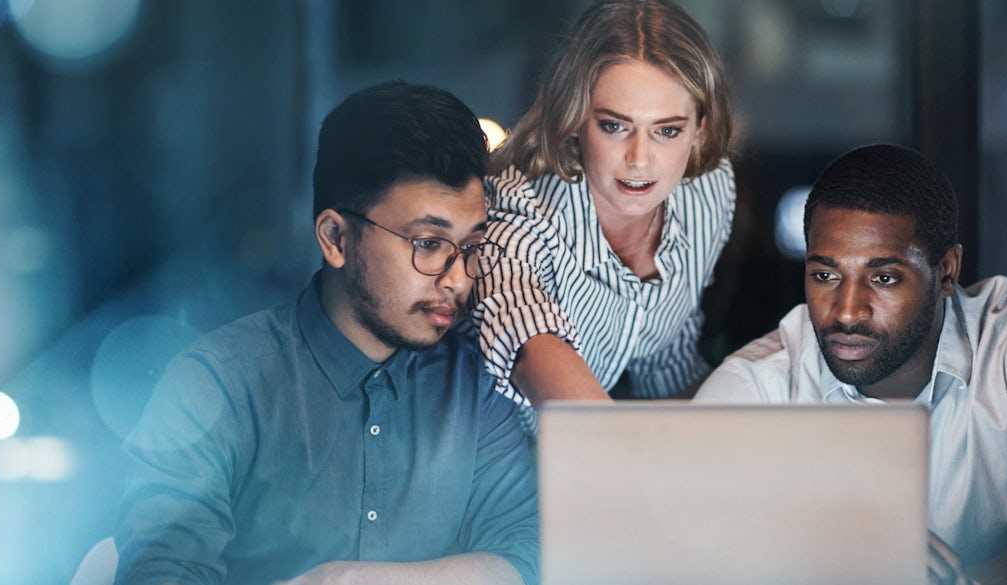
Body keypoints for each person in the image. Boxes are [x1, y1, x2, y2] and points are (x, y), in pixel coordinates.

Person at [114, 82, 538, 585]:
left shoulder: (475, 386)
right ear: (336, 238)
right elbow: (161, 572)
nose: (457, 277)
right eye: (427, 243)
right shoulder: (218, 386)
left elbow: (529, 554)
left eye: (470, 247)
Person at [695, 144, 1007, 585]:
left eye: (882, 277)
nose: (846, 310)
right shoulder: (754, 390)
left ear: (946, 273)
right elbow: (672, 555)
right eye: (825, 275)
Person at [473, 0, 738, 427]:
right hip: (490, 468)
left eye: (667, 131)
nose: (639, 159)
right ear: (577, 118)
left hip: (599, 457)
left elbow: (664, 362)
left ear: (700, 128)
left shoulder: (706, 191)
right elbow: (526, 343)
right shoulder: (518, 212)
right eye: (614, 125)